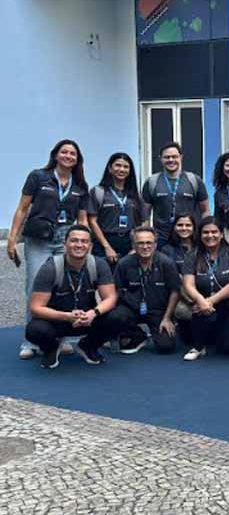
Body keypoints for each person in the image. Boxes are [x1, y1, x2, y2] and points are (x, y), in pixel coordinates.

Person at [10, 139, 90, 359]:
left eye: (73, 153)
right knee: (36, 285)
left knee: (63, 287)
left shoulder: (80, 186)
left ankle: (61, 338)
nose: (68, 156)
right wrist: (12, 239)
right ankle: (30, 342)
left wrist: (84, 245)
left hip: (66, 238)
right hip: (39, 239)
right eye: (64, 152)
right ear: (56, 155)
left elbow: (82, 219)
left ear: (77, 159)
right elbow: (22, 209)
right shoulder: (38, 177)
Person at [25, 224, 120, 369]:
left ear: (90, 245)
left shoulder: (99, 264)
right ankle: (52, 348)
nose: (79, 245)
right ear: (65, 244)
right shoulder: (50, 268)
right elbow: (35, 308)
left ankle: (88, 346)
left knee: (119, 317)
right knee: (34, 330)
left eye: (84, 241)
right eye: (74, 240)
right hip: (58, 321)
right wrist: (67, 316)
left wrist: (93, 313)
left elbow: (111, 298)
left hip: (87, 319)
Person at [180, 216, 229, 360]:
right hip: (201, 304)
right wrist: (201, 301)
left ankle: (216, 333)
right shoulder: (192, 255)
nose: (210, 236)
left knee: (228, 348)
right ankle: (198, 347)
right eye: (206, 232)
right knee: (199, 310)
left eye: (214, 232)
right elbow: (188, 284)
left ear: (222, 234)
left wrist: (210, 301)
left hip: (228, 303)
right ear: (200, 235)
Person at [112, 226, 180, 355]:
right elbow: (116, 289)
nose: (145, 246)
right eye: (140, 243)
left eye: (149, 243)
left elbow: (175, 291)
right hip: (132, 308)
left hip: (158, 310)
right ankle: (138, 335)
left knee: (166, 346)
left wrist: (167, 318)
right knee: (114, 317)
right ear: (133, 245)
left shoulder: (167, 263)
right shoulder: (124, 264)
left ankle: (170, 327)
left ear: (155, 245)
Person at [141, 142, 209, 245]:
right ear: (160, 158)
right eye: (167, 157)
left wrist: (203, 233)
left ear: (181, 157)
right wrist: (146, 237)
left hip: (188, 238)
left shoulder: (194, 180)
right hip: (161, 238)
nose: (171, 160)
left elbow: (205, 211)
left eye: (174, 157)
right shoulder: (151, 182)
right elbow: (145, 215)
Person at [87, 152, 144, 264]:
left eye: (126, 167)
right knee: (104, 278)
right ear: (110, 169)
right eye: (118, 165)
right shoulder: (98, 192)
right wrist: (107, 247)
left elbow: (143, 222)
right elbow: (92, 221)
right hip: (104, 242)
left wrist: (135, 247)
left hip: (129, 242)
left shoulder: (135, 195)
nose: (122, 169)